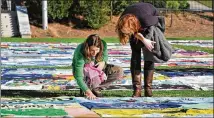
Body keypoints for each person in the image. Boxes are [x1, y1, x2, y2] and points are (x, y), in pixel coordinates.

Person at [116, 2, 172, 97]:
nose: (127, 34)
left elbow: (159, 23)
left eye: (128, 31)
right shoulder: (122, 20)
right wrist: (142, 39)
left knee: (149, 55)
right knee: (135, 54)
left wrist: (147, 40)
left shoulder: (147, 20)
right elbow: (133, 33)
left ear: (134, 26)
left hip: (150, 21)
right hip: (135, 20)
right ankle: (137, 89)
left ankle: (148, 89)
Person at [72, 34, 124, 100]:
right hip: (86, 70)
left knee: (119, 71)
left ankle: (96, 88)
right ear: (87, 48)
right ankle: (87, 88)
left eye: (97, 50)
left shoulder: (103, 44)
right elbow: (78, 76)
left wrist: (103, 62)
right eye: (92, 50)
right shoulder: (80, 52)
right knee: (93, 78)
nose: (94, 53)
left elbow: (105, 55)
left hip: (98, 68)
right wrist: (88, 92)